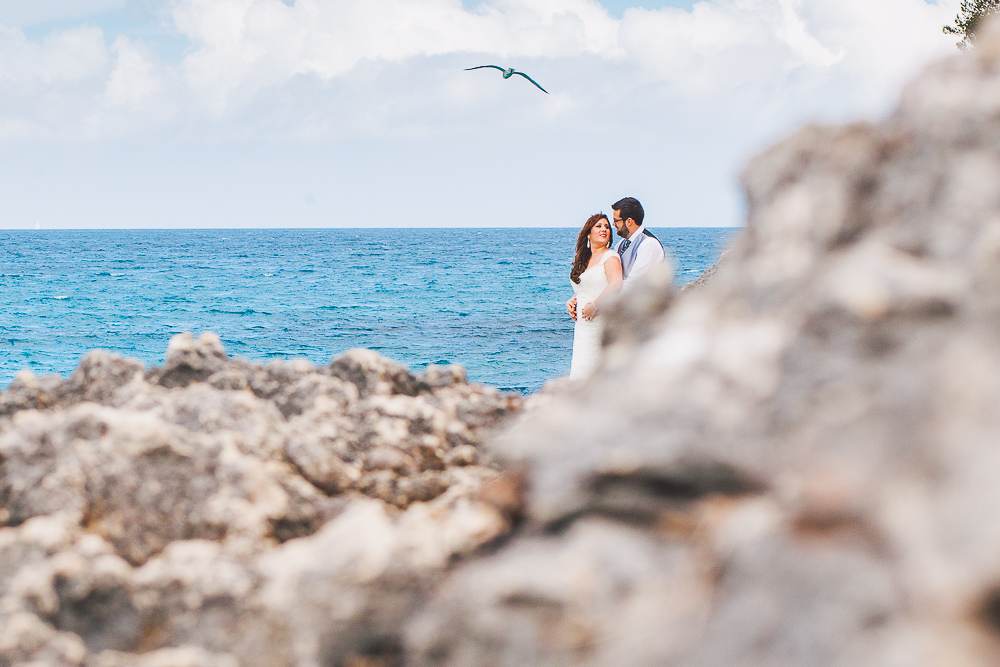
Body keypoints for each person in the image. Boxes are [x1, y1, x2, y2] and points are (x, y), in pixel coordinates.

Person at [565, 196, 665, 321]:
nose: (613, 224)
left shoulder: (648, 244)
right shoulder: (621, 245)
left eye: (616, 220)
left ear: (628, 221)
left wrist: (596, 307)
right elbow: (604, 280)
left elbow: (632, 286)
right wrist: (577, 298)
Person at [567, 213, 622, 379]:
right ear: (588, 233)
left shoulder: (610, 257)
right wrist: (571, 300)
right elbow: (588, 286)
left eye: (606, 226)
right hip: (583, 328)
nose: (604, 229)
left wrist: (594, 306)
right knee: (580, 369)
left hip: (600, 321)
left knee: (596, 370)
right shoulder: (585, 259)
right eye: (598, 226)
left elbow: (616, 284)